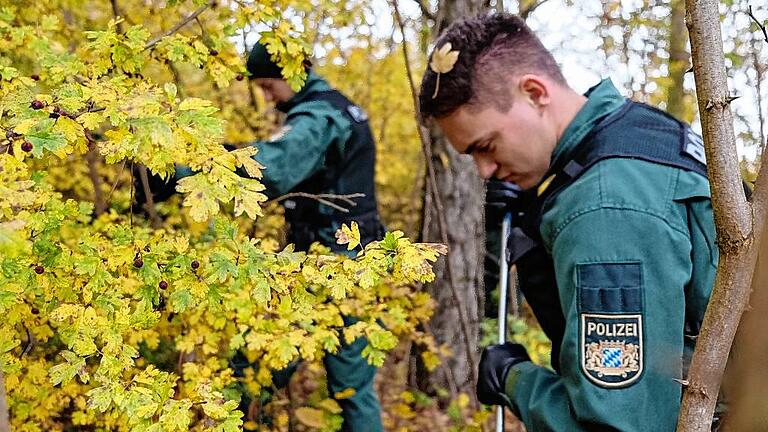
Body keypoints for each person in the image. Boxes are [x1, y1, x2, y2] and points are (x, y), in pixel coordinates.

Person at [418, 13, 718, 431]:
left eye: (486, 146)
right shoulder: (641, 132)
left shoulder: (603, 208)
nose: (484, 170)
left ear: (534, 92)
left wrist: (514, 379)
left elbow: (618, 426)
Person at [138, 42, 385, 432]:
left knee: (257, 365)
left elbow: (272, 169)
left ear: (291, 74)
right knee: (350, 386)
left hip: (328, 263)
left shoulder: (319, 116)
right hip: (352, 259)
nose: (268, 98)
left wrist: (181, 174)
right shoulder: (341, 108)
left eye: (269, 86)